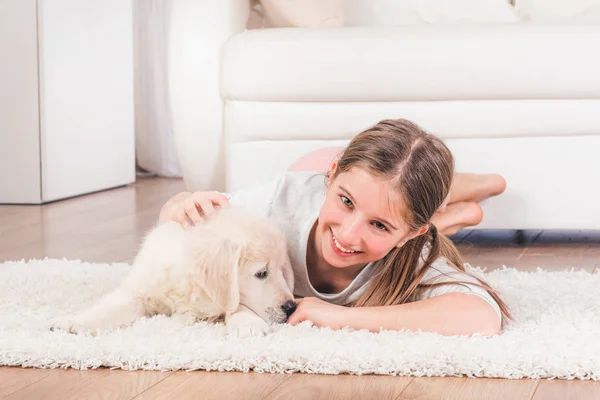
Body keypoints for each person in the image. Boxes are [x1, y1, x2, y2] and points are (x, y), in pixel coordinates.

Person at [158, 119, 512, 337]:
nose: (347, 235)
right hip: (312, 169)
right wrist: (179, 204)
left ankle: (461, 194)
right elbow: (177, 230)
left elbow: (481, 315)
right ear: (333, 176)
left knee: (396, 196)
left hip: (374, 197)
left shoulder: (412, 253)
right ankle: (448, 201)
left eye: (378, 225)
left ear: (412, 236)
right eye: (345, 202)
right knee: (358, 185)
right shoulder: (274, 206)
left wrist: (342, 317)